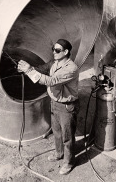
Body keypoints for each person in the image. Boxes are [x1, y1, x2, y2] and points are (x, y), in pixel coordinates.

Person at [18, 39, 80, 175]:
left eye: (57, 50)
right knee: (57, 132)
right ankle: (59, 153)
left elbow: (51, 81)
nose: (54, 52)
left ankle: (69, 162)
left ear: (66, 52)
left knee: (67, 136)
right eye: (53, 49)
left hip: (66, 107)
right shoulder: (55, 62)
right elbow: (42, 69)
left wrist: (29, 71)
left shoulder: (71, 69)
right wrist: (28, 69)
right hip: (54, 103)